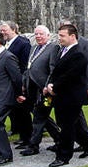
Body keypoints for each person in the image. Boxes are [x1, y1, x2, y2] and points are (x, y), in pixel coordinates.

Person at [46, 23, 88, 165]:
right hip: (61, 95)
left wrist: (54, 87)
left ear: (72, 36)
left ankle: (63, 156)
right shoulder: (63, 51)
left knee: (67, 126)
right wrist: (50, 85)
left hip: (72, 96)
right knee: (68, 123)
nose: (59, 38)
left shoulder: (78, 54)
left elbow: (70, 75)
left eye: (62, 36)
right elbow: (57, 72)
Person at [0, 29, 26, 166]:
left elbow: (16, 77)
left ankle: (6, 155)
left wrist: (19, 94)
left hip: (3, 97)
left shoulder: (8, 57)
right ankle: (1, 152)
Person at [18, 25, 60, 156]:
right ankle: (59, 139)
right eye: (36, 34)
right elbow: (28, 68)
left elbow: (53, 69)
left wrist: (48, 85)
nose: (38, 36)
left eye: (41, 34)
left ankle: (33, 145)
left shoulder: (53, 48)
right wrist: (24, 83)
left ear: (48, 35)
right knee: (42, 115)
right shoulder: (33, 48)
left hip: (46, 92)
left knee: (40, 115)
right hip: (32, 89)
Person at [0, 22, 32, 141]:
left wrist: (22, 83)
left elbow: (24, 64)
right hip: (9, 83)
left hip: (18, 81)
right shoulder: (6, 44)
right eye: (1, 30)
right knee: (15, 111)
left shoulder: (23, 43)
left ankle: (27, 137)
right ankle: (21, 134)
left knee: (23, 111)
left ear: (13, 30)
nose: (2, 33)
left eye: (5, 30)